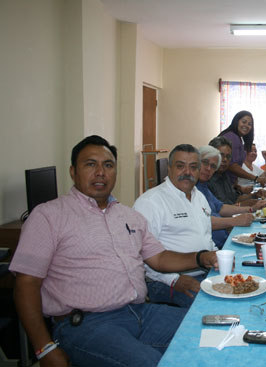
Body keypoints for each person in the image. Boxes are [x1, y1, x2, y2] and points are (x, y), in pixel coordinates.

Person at [9, 135, 219, 367]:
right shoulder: (48, 216)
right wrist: (44, 349)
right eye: (91, 164)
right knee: (153, 363)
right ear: (73, 172)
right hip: (87, 324)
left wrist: (201, 257)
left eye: (108, 165)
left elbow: (159, 258)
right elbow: (26, 285)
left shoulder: (128, 216)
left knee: (213, 331)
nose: (101, 172)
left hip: (141, 312)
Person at [133, 144, 220, 310]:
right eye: (180, 166)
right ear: (170, 168)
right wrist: (173, 280)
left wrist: (220, 259)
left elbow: (206, 239)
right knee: (213, 308)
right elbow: (142, 256)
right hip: (165, 281)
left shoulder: (199, 197)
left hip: (205, 272)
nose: (187, 172)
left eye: (193, 167)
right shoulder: (150, 202)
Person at [197, 145, 260, 248]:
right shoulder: (190, 188)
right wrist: (235, 221)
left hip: (225, 239)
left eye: (213, 166)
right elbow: (201, 221)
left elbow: (221, 207)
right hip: (215, 246)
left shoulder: (203, 185)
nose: (208, 168)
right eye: (205, 163)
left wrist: (251, 209)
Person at [208, 136, 266, 206]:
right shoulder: (207, 178)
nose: (225, 159)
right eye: (221, 155)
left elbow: (235, 199)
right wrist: (242, 205)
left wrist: (254, 195)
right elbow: (219, 210)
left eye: (228, 157)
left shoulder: (224, 175)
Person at [219, 110, 266, 186]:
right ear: (236, 121)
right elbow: (232, 166)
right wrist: (255, 178)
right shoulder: (232, 137)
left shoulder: (237, 138)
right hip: (220, 184)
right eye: (244, 122)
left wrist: (239, 188)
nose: (246, 126)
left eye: (249, 124)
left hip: (229, 184)